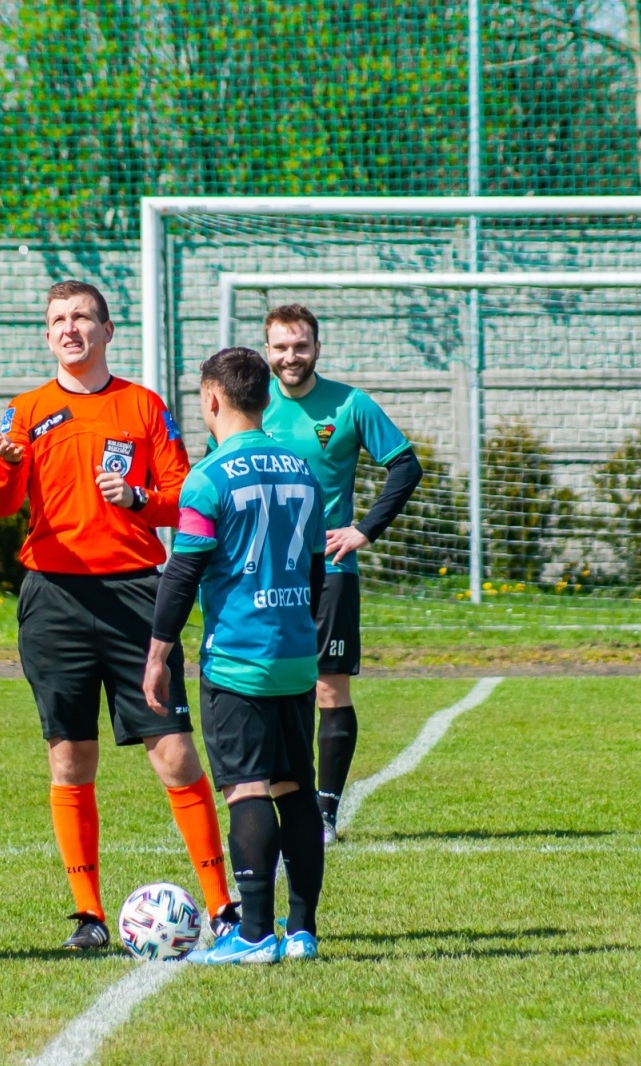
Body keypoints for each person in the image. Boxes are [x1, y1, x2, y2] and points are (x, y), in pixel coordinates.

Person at [0, 280, 237, 950]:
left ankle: (221, 905)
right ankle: (88, 917)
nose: (70, 329)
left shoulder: (143, 406)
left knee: (176, 753)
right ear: (47, 335)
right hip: (54, 600)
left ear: (107, 329)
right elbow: (3, 505)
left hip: (134, 596)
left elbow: (182, 494)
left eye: (82, 318)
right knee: (71, 758)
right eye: (58, 320)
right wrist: (6, 466)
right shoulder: (26, 411)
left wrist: (135, 498)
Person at [143, 346, 327, 964]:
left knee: (247, 790)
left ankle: (251, 935)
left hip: (239, 659)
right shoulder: (303, 466)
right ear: (267, 398)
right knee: (296, 786)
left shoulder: (210, 476)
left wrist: (157, 654)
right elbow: (317, 564)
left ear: (211, 400)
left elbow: (184, 571)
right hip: (298, 651)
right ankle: (300, 932)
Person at [259, 304, 421, 845]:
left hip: (329, 567)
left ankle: (324, 814)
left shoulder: (350, 404)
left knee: (329, 689)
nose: (290, 357)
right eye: (281, 347)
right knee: (276, 688)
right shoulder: (251, 406)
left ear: (317, 349)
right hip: (265, 572)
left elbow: (405, 465)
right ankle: (284, 799)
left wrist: (364, 530)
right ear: (267, 351)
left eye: (300, 346)